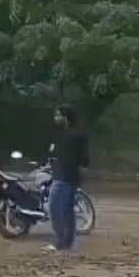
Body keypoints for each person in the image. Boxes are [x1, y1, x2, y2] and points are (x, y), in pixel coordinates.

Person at [46, 104, 89, 254]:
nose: (55, 118)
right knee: (68, 211)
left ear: (66, 117)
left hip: (64, 176)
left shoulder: (73, 136)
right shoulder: (69, 134)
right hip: (66, 176)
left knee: (53, 208)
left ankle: (60, 242)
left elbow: (81, 158)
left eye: (58, 115)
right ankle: (67, 243)